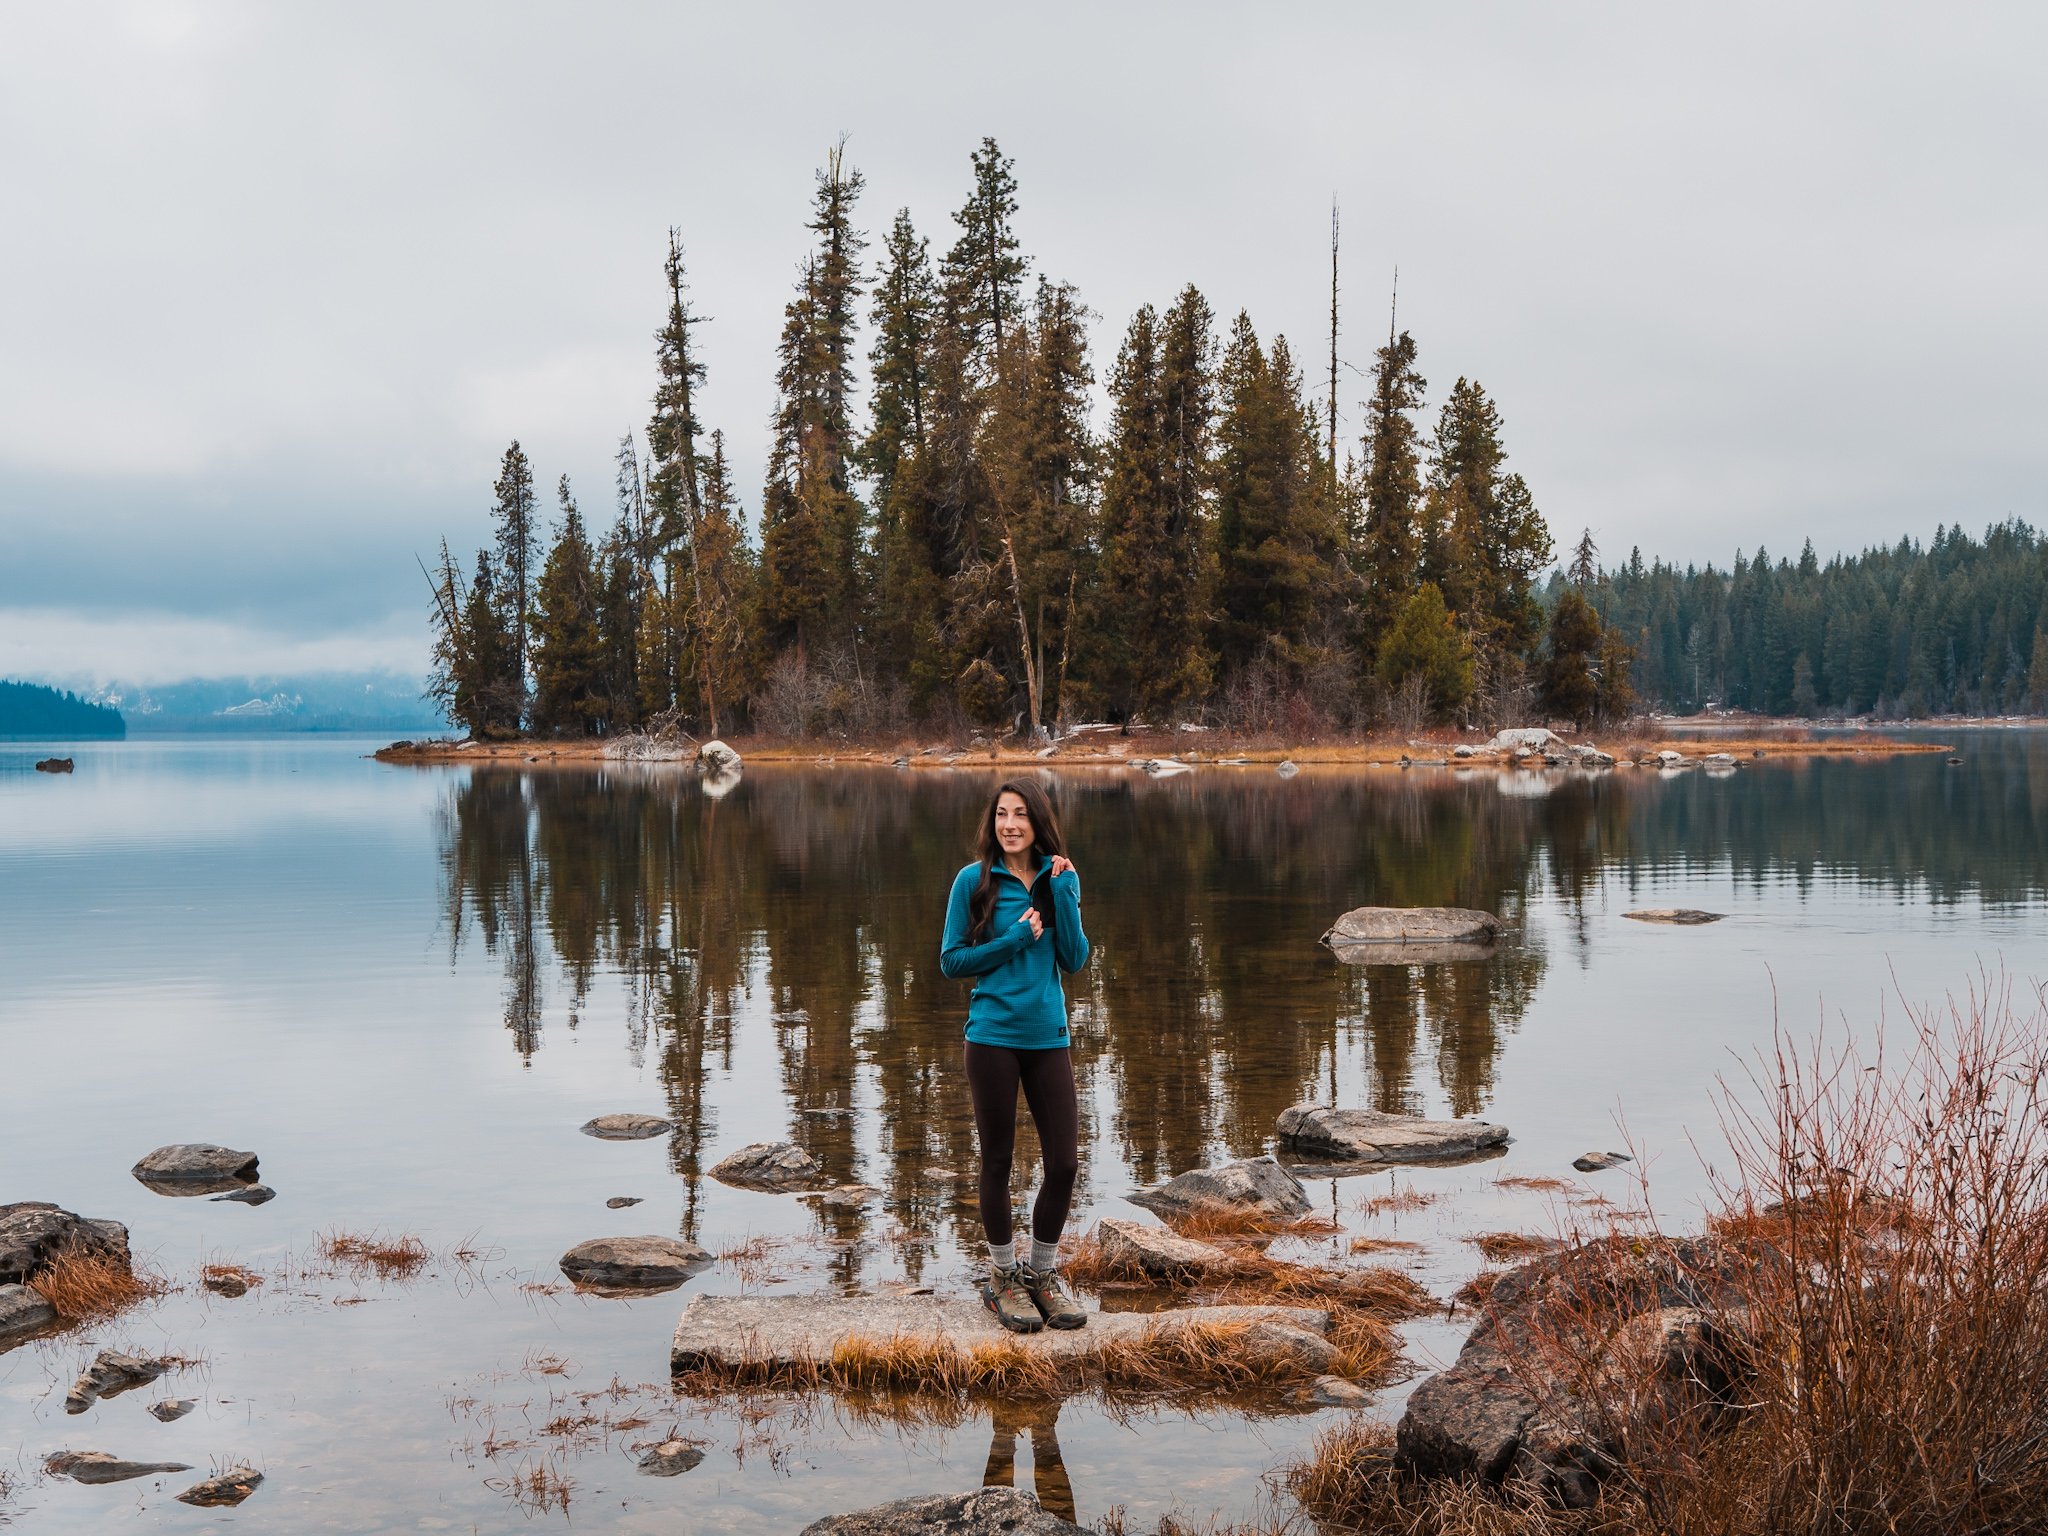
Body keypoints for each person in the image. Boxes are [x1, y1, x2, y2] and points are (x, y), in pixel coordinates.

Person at [939, 778, 1091, 1333]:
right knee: (998, 1160)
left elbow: (1074, 959)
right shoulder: (972, 881)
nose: (1009, 825)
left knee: (1065, 1163)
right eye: (1002, 814)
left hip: (1048, 1036)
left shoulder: (1058, 878)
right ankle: (1003, 1277)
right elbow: (952, 961)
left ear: (1038, 822)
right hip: (992, 1038)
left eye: (1020, 815)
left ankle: (1043, 1275)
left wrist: (1067, 895)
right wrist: (1014, 941)